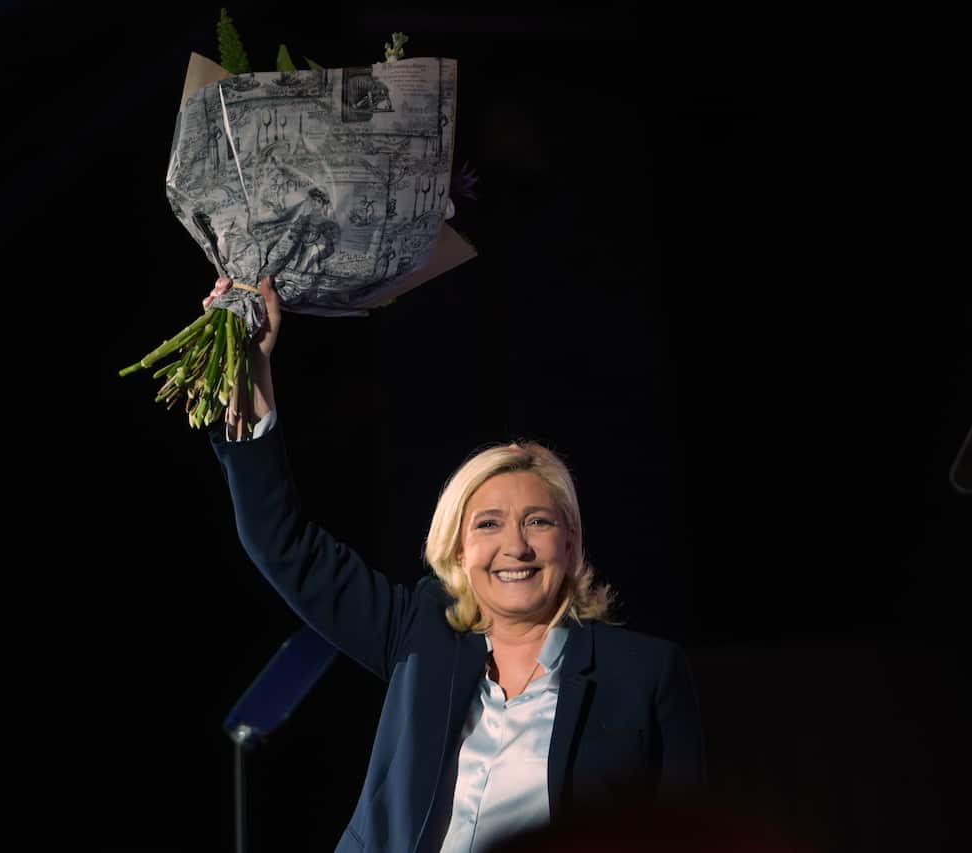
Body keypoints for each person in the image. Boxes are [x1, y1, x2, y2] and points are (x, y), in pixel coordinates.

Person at [204, 277, 707, 853]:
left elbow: (686, 833)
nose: (514, 547)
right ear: (458, 550)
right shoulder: (418, 634)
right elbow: (283, 545)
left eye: (538, 523)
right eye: (488, 524)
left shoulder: (645, 673)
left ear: (570, 543)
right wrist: (250, 375)